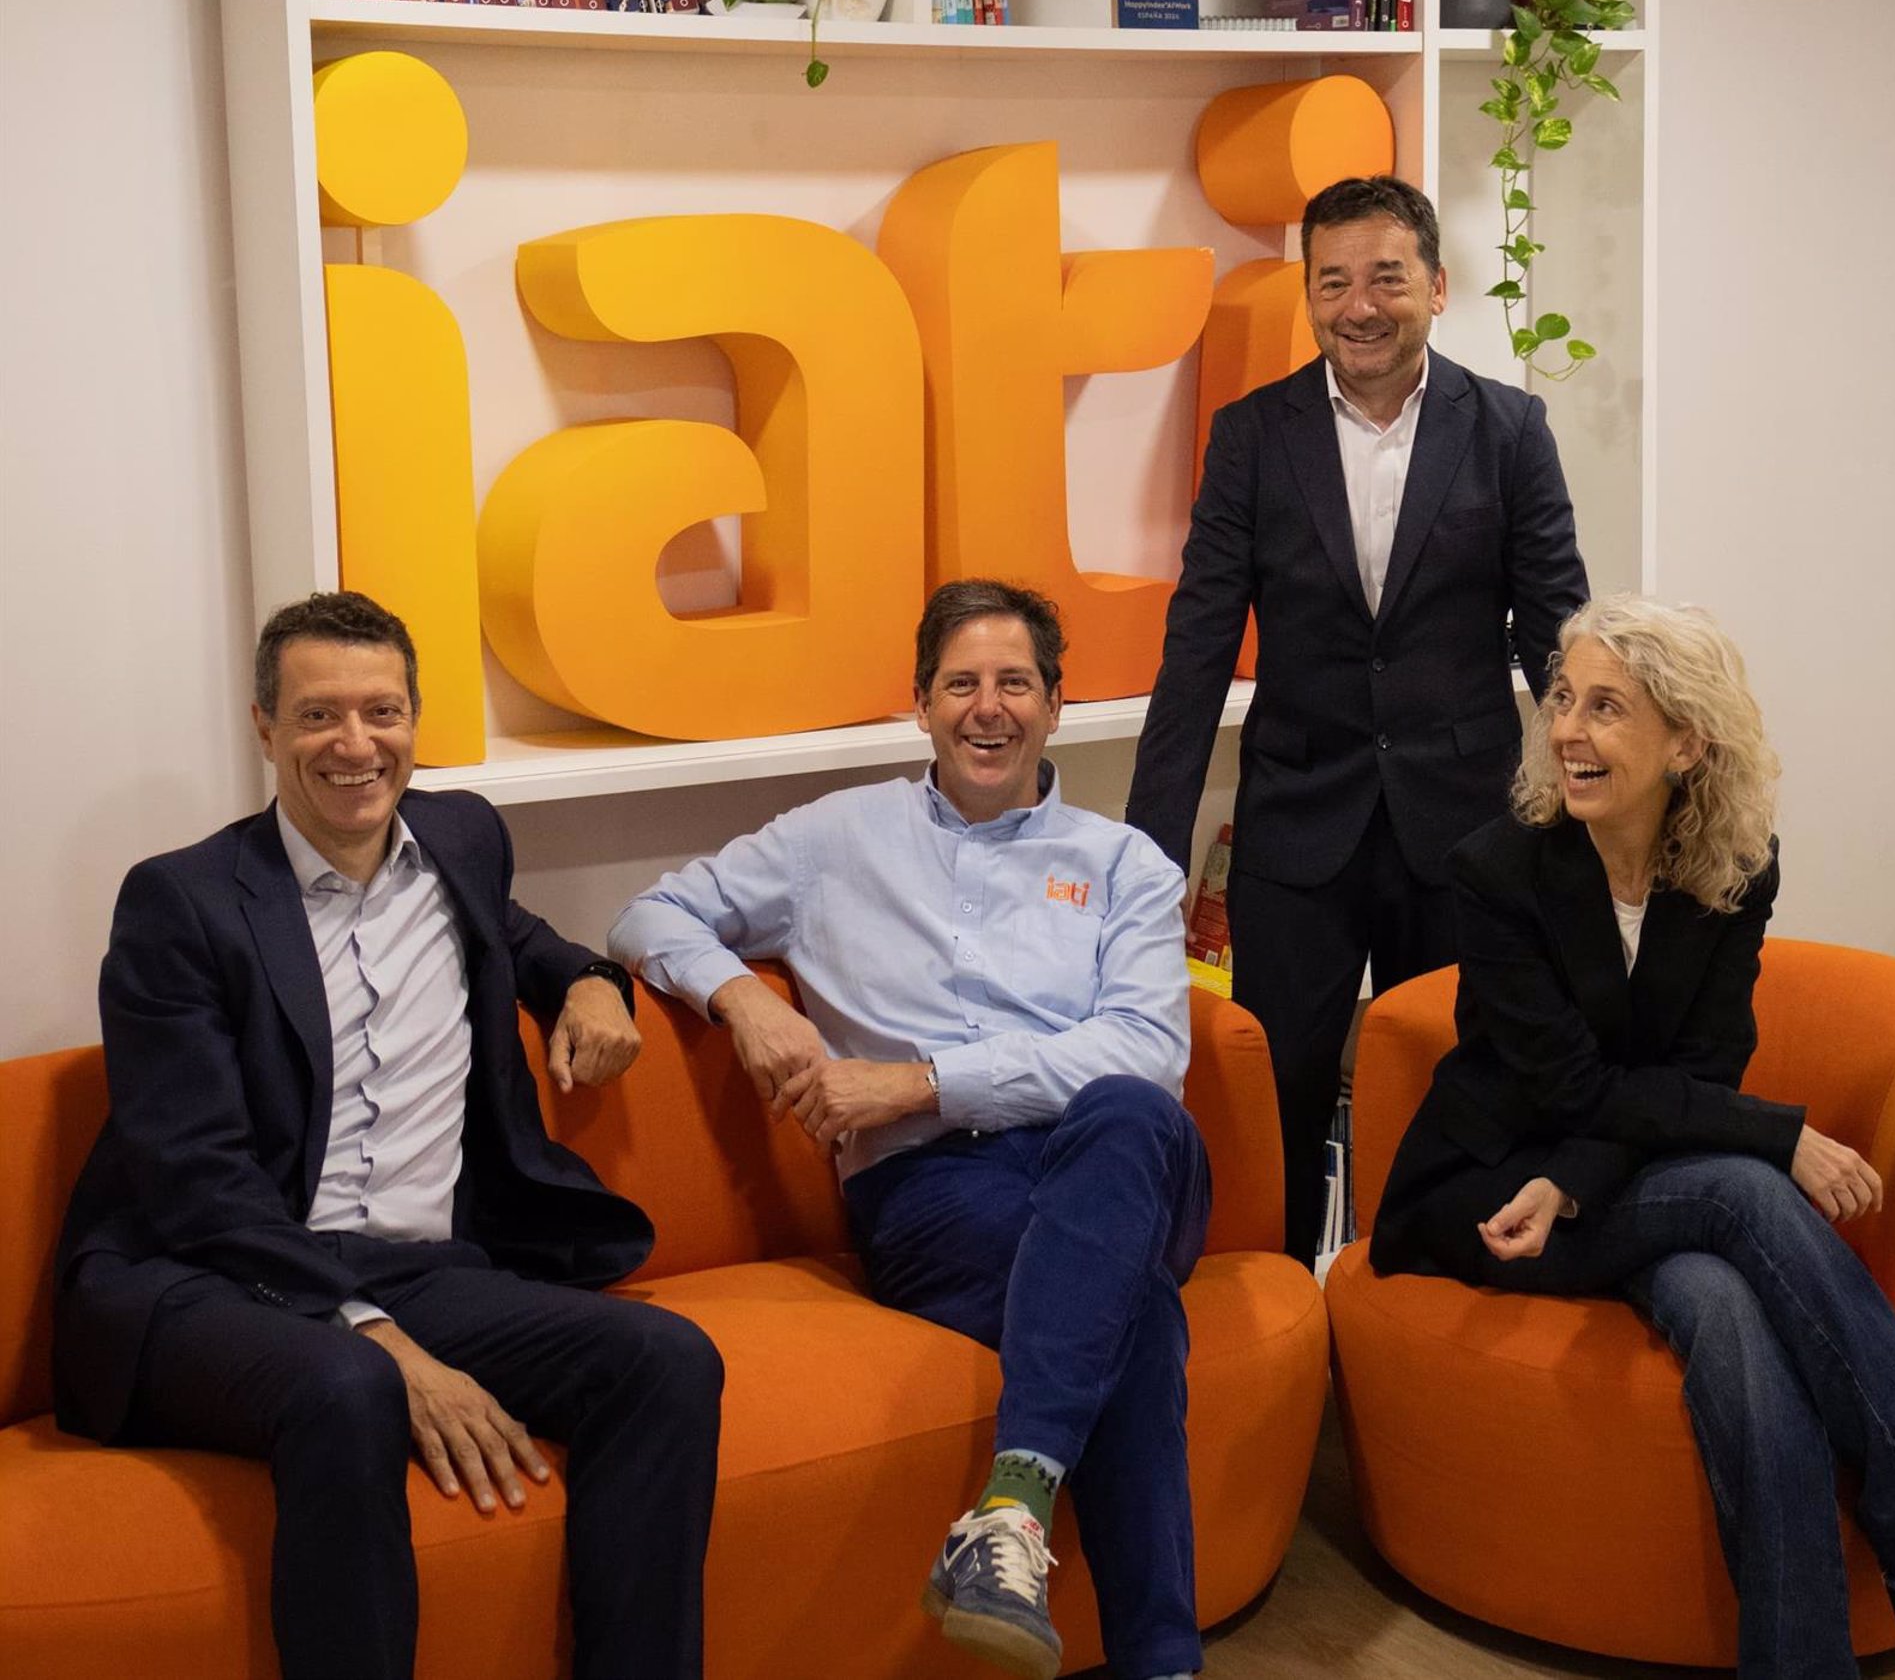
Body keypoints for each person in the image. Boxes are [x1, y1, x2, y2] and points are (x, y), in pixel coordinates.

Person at [53, 591, 723, 1680]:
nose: (355, 744)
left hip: (417, 1265)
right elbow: (196, 1182)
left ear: (416, 719)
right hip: (205, 1275)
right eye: (318, 715)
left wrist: (592, 982)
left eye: (381, 711)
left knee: (666, 1360)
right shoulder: (183, 903)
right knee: (349, 1386)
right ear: (265, 728)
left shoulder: (462, 840)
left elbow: (520, 938)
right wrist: (377, 1336)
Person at [613, 579, 1210, 1680]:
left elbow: (1146, 1055)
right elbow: (651, 912)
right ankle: (1143, 1647)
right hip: (936, 1197)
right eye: (962, 683)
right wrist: (742, 999)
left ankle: (1014, 1505)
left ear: (1056, 704)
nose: (989, 708)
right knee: (1135, 1315)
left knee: (1125, 1111)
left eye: (1015, 683)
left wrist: (922, 1082)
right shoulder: (833, 839)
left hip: (1119, 1164)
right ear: (922, 703)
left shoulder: (1124, 863)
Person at [1369, 593, 1895, 1677]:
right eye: (1563, 699)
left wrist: (1585, 1181)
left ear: (1686, 742)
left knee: (1725, 1306)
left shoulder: (1736, 867)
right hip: (1496, 1186)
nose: (1567, 730)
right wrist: (1779, 1137)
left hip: (1613, 1181)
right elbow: (1572, 1086)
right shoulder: (1498, 872)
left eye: (1607, 707)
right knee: (1745, 1185)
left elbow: (1699, 1068)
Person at [1126, 173, 1590, 1263]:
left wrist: (1605, 817)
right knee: (1276, 1098)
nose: (1360, 306)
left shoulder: (1510, 430)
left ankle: (1428, 1306)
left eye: (1386, 277)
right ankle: (1285, 1306)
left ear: (1437, 286)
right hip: (1299, 831)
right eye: (1332, 282)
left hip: (1466, 830)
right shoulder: (1253, 436)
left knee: (1460, 1088)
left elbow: (1559, 642)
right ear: (1309, 295)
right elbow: (1197, 654)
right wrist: (1144, 859)